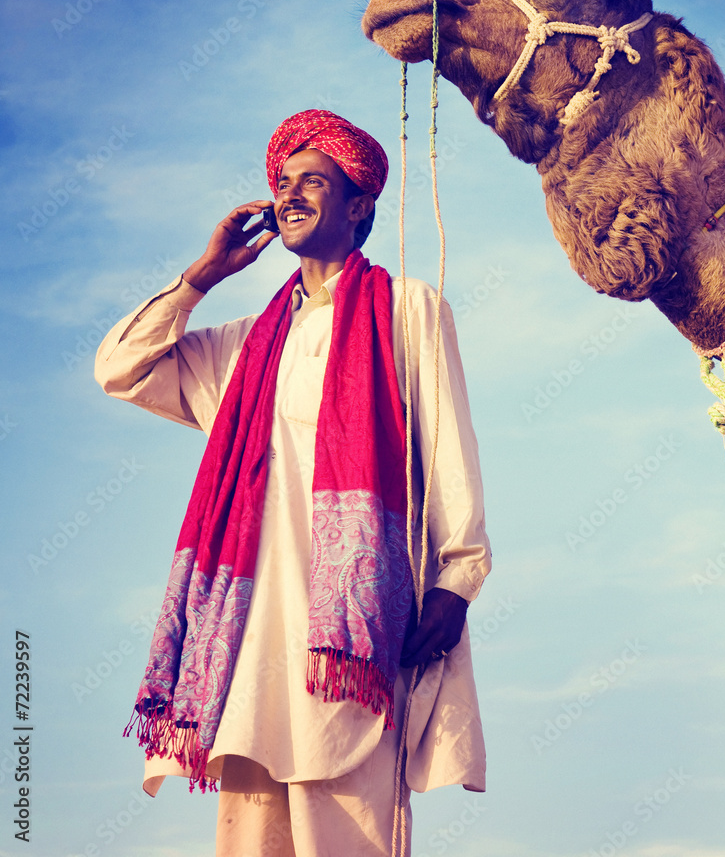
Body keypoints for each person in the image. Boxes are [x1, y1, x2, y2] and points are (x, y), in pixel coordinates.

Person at [95, 109, 491, 857]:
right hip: (245, 647)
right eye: (282, 182)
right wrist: (199, 279)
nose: (290, 194)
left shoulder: (407, 311)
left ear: (359, 205)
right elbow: (118, 369)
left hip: (355, 640)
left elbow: (447, 450)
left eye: (314, 181)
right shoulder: (241, 348)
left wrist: (456, 582)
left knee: (349, 834)